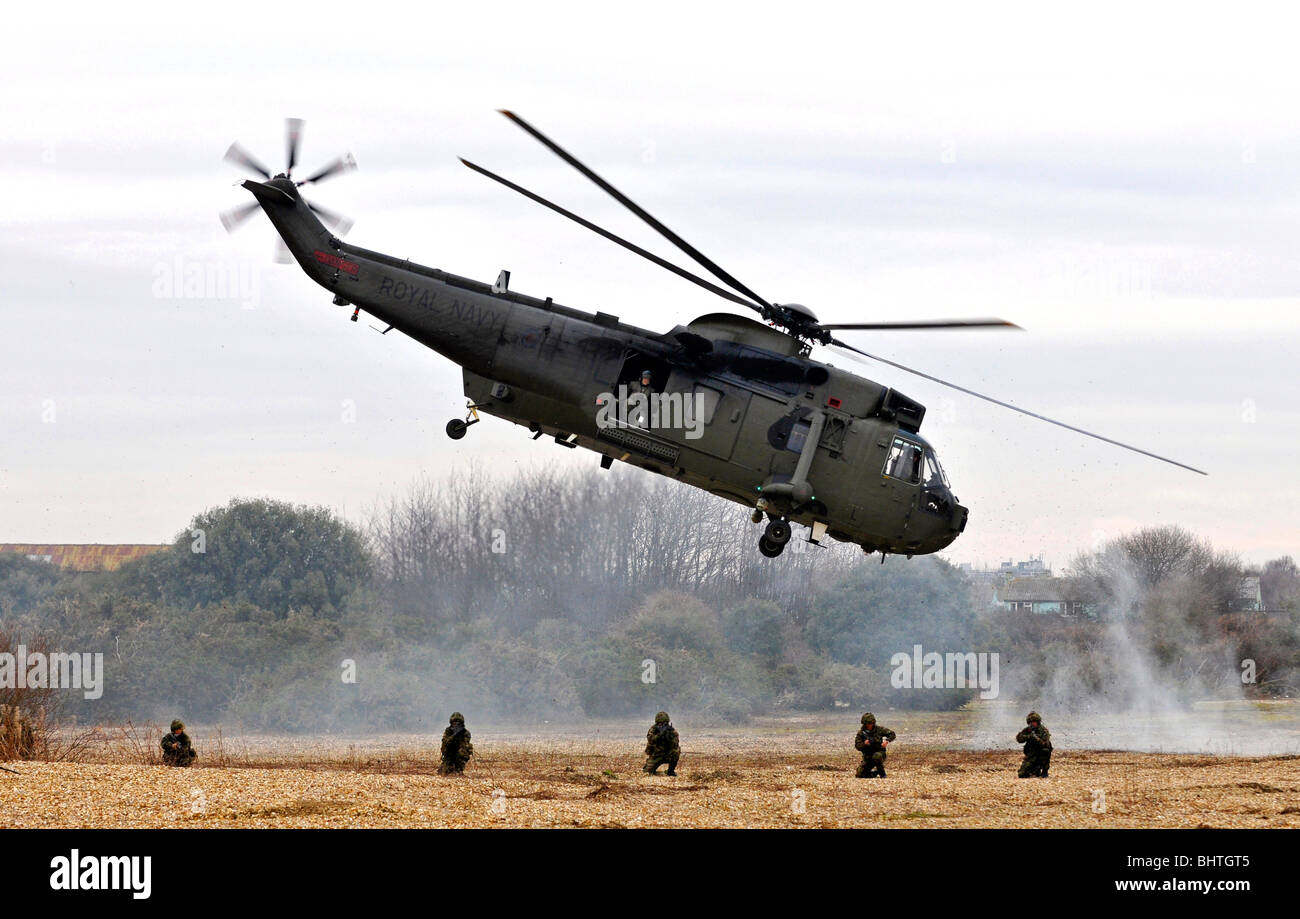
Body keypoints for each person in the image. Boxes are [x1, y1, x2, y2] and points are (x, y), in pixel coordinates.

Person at [854, 712, 896, 778]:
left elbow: (892, 734)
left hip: (879, 754)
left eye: (871, 723)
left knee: (877, 756)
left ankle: (882, 773)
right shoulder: (861, 733)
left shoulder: (879, 729)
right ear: (864, 724)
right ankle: (875, 773)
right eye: (868, 724)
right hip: (868, 757)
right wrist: (864, 744)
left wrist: (887, 741)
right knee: (859, 774)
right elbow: (857, 746)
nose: (869, 725)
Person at [1016, 711, 1053, 778]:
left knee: (1046, 750)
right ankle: (1036, 770)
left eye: (1033, 722)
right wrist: (1029, 736)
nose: (1032, 724)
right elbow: (1019, 739)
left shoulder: (1043, 730)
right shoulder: (1028, 730)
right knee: (1022, 774)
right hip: (1031, 755)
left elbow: (1045, 744)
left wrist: (1036, 738)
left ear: (1038, 722)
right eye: (1030, 722)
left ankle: (1045, 771)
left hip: (1041, 754)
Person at [643, 711, 680, 776]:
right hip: (656, 755)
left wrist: (669, 738)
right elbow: (650, 740)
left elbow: (675, 745)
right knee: (646, 772)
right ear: (657, 723)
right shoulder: (653, 729)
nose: (663, 725)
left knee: (676, 752)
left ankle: (670, 771)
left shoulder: (671, 731)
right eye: (660, 724)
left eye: (665, 723)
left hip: (668, 754)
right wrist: (659, 736)